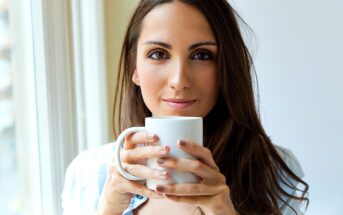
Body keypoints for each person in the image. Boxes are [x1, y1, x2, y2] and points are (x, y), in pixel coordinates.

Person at [62, 0, 309, 214]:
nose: (179, 80)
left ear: (225, 69)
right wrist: (108, 210)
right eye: (158, 54)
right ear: (133, 68)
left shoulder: (272, 172)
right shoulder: (90, 175)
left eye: (201, 55)